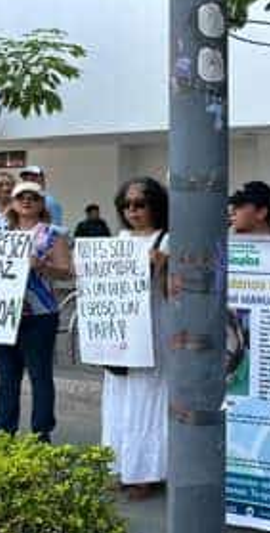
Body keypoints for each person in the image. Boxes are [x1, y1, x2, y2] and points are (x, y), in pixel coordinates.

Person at [102, 177, 170, 500]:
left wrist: (163, 268)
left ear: (155, 205)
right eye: (126, 205)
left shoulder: (166, 240)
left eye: (140, 204)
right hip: (118, 329)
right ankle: (119, 465)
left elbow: (174, 290)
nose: (132, 210)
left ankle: (146, 472)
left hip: (152, 329)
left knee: (147, 401)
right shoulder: (120, 238)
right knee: (118, 399)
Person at [0, 181, 72, 442]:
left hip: (40, 315)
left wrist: (40, 267)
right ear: (12, 203)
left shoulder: (52, 234)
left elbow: (64, 271)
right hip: (4, 313)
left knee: (40, 375)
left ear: (42, 204)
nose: (26, 201)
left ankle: (41, 432)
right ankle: (3, 432)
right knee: (7, 376)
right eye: (20, 197)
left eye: (33, 197)